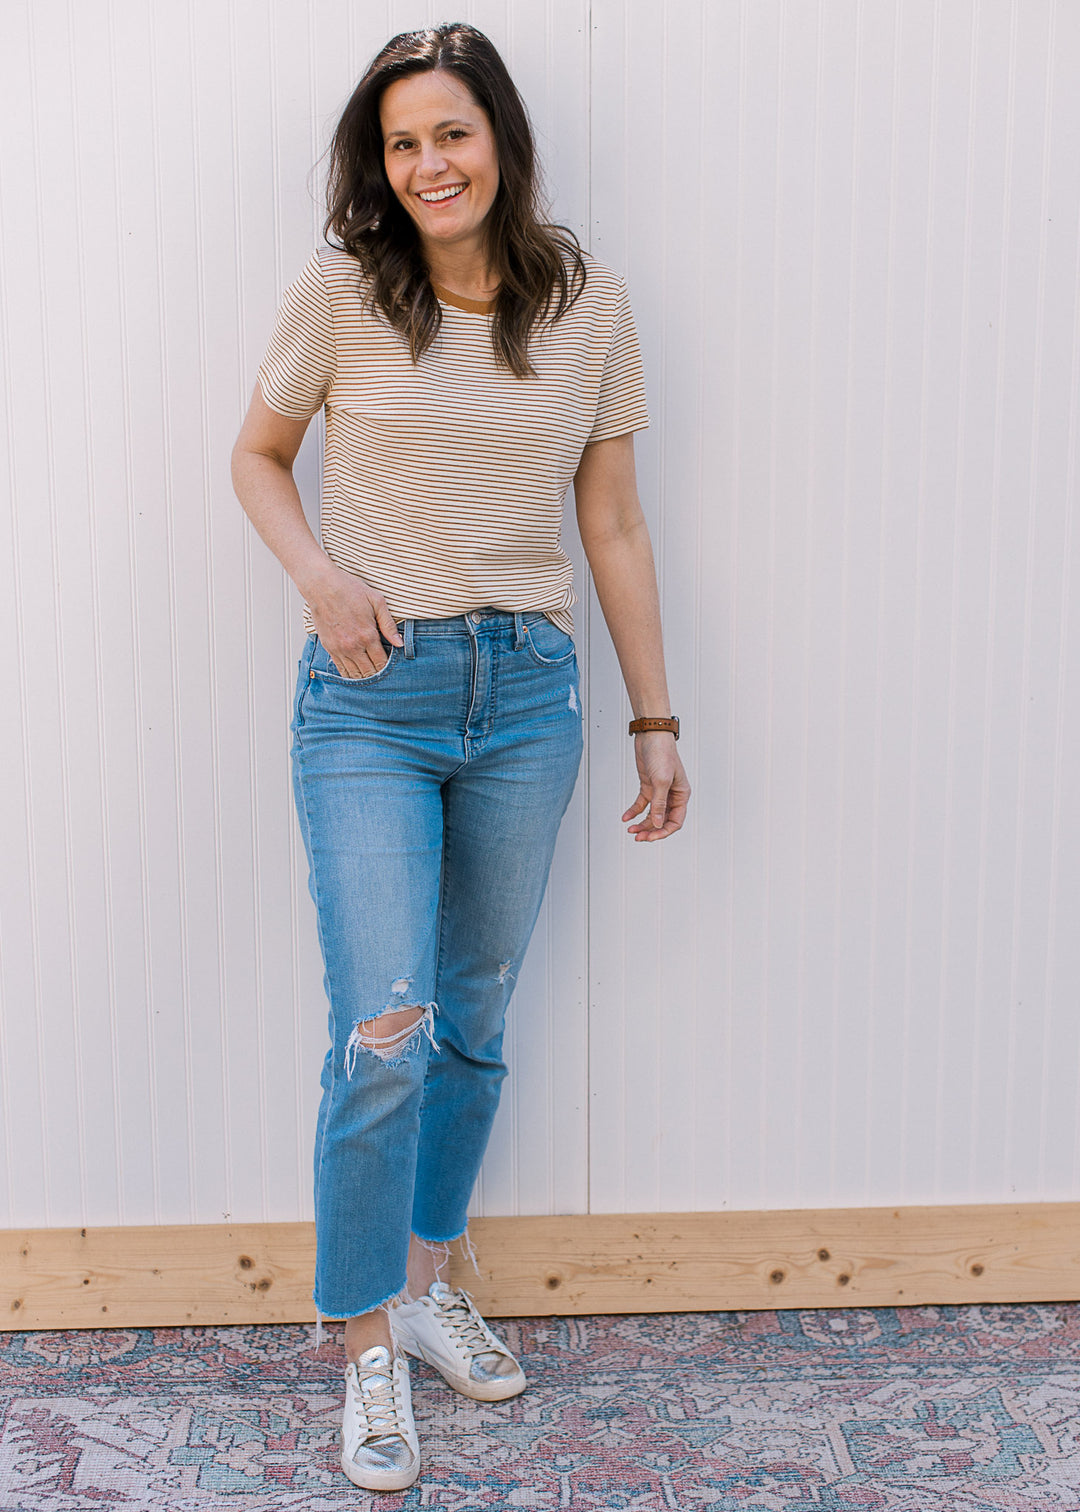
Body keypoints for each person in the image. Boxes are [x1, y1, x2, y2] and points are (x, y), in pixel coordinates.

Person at [231, 21, 690, 1494]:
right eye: (401, 143)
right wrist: (319, 578)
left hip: (530, 695)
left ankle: (428, 1281)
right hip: (370, 696)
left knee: (475, 1021)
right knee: (385, 1027)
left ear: (501, 137)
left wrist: (655, 716)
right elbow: (253, 455)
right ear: (381, 164)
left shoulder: (591, 303)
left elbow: (611, 522)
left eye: (452, 134)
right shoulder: (341, 294)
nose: (429, 164)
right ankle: (362, 1343)